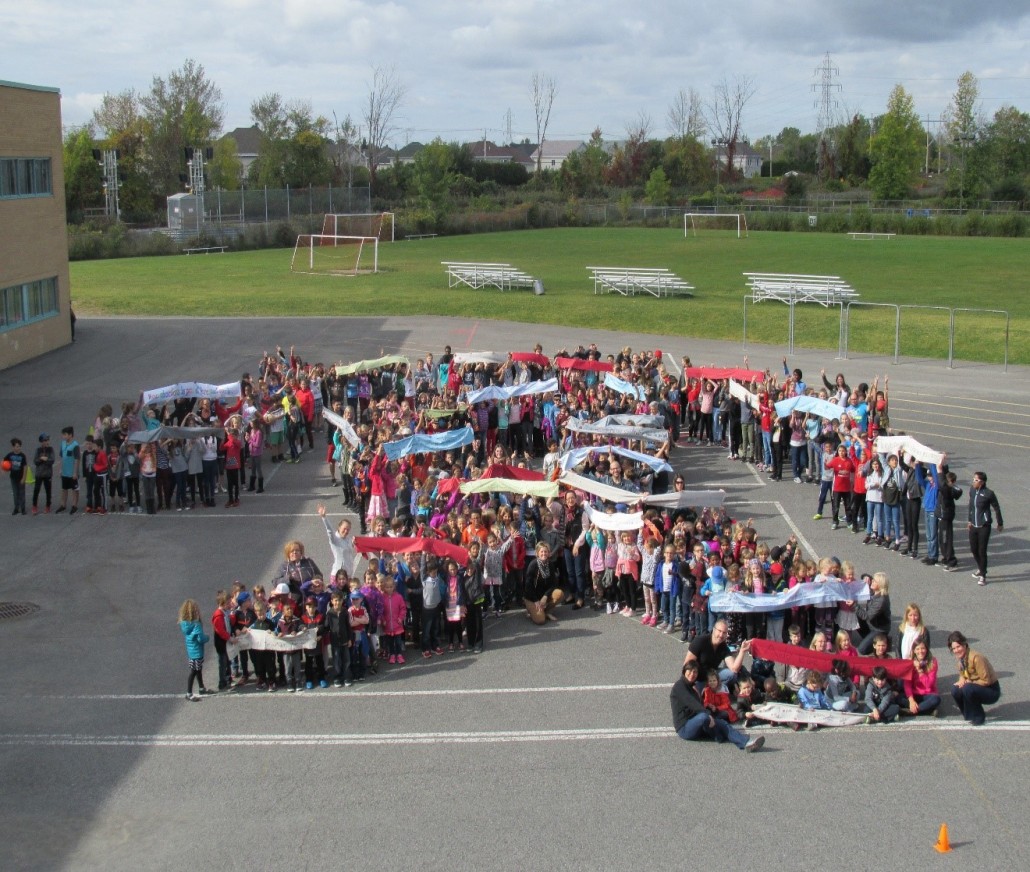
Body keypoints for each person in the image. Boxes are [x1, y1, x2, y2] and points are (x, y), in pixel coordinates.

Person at [670, 662, 765, 752]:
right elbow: (691, 703)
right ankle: (717, 735)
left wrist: (709, 708)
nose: (692, 674)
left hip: (696, 721)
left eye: (695, 671)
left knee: (722, 723)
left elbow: (699, 705)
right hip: (685, 728)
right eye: (689, 671)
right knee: (705, 717)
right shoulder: (679, 687)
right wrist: (708, 714)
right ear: (684, 671)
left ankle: (747, 743)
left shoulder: (691, 686)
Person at [948, 631, 1001, 726]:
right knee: (955, 689)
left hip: (991, 690)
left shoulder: (976, 658)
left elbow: (986, 681)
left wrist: (969, 681)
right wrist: (961, 679)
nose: (956, 650)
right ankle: (969, 714)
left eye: (958, 646)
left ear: (964, 644)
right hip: (976, 686)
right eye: (954, 648)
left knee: (967, 688)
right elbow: (962, 673)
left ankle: (979, 716)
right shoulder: (961, 658)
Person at [682, 619, 752, 691]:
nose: (721, 635)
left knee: (732, 674)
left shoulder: (723, 646)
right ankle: (716, 689)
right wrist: (689, 685)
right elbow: (687, 665)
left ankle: (717, 689)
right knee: (697, 696)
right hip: (698, 679)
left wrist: (742, 651)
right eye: (719, 631)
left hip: (712, 677)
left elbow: (734, 668)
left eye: (724, 633)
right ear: (713, 630)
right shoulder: (700, 641)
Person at [967, 471, 1003, 585]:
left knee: (982, 551)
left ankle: (983, 575)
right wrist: (969, 520)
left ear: (982, 482)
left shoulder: (989, 493)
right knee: (974, 549)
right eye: (973, 479)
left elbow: (996, 508)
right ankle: (981, 568)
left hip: (984, 526)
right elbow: (971, 506)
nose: (974, 482)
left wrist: (1000, 523)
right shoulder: (972, 490)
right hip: (973, 525)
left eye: (976, 480)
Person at [178, 599, 214, 701]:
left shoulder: (185, 625)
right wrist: (207, 637)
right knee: (194, 671)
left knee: (198, 670)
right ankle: (189, 693)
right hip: (197, 652)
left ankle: (201, 687)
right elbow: (200, 638)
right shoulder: (196, 625)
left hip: (191, 652)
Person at [524, 541, 563, 625]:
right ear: (537, 553)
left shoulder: (550, 565)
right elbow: (528, 585)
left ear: (549, 553)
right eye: (541, 551)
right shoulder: (533, 565)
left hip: (543, 596)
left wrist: (545, 596)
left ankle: (547, 611)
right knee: (540, 620)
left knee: (559, 593)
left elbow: (554, 584)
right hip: (532, 598)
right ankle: (531, 611)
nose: (544, 554)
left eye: (546, 551)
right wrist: (535, 600)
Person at [902, 640, 941, 717]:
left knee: (936, 699)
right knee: (898, 698)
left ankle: (910, 712)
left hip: (927, 694)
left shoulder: (933, 661)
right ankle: (927, 710)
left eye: (923, 648)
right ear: (914, 651)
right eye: (917, 649)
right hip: (914, 693)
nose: (920, 651)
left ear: (926, 649)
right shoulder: (909, 661)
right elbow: (907, 684)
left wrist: (920, 671)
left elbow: (929, 684)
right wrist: (911, 701)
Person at [54, 426, 80, 514]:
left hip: (72, 472)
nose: (63, 436)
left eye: (65, 435)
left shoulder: (75, 445)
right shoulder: (63, 444)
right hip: (65, 472)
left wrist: (75, 473)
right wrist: (61, 469)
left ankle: (74, 505)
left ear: (70, 435)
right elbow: (62, 457)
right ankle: (63, 505)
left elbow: (77, 459)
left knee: (74, 489)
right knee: (64, 489)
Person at [31, 433, 55, 514]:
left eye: (47, 440)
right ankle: (34, 506)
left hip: (48, 474)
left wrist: (45, 460)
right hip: (39, 474)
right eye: (45, 440)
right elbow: (35, 461)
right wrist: (41, 459)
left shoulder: (51, 449)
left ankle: (48, 505)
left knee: (48, 490)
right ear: (41, 442)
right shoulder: (38, 450)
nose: (47, 442)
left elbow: (52, 460)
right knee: (36, 490)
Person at [4, 438, 28, 515]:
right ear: (13, 447)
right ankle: (16, 508)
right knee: (15, 493)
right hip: (13, 477)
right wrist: (5, 468)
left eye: (19, 446)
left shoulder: (22, 456)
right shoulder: (10, 455)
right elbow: (4, 461)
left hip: (20, 477)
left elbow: (25, 467)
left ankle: (23, 508)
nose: (18, 448)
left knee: (22, 493)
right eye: (16, 446)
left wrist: (24, 477)